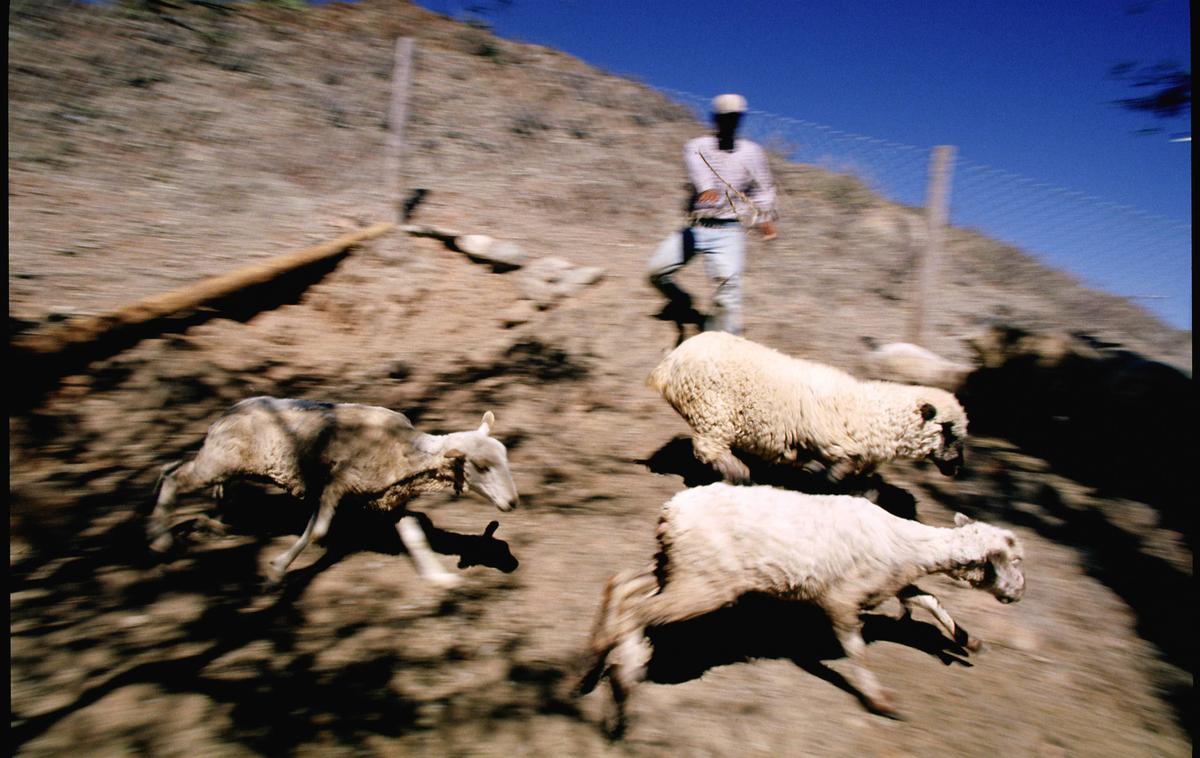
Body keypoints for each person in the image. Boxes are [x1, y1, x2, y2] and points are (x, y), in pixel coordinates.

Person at [647, 93, 778, 336]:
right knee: (656, 271)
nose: (729, 122)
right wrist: (707, 188)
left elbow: (763, 189)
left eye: (734, 118)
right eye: (725, 118)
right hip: (697, 227)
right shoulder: (697, 146)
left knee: (728, 294)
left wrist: (764, 219)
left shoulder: (752, 153)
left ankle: (723, 339)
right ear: (715, 119)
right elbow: (699, 172)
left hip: (729, 230)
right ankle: (682, 300)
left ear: (740, 120)